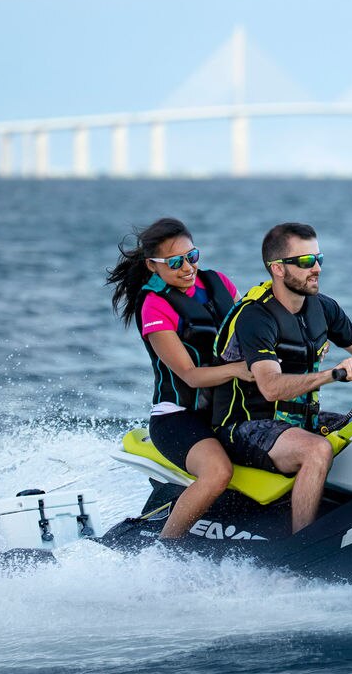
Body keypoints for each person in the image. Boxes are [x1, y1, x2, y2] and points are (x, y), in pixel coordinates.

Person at [212, 222, 352, 534]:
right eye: (306, 261)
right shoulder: (255, 317)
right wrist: (333, 374)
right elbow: (270, 387)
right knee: (316, 449)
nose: (317, 268)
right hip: (246, 425)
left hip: (302, 420)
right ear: (278, 268)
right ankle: (302, 545)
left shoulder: (323, 308)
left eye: (319, 258)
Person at [105, 217, 252, 540]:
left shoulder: (220, 283)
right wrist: (238, 370)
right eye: (174, 262)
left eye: (192, 256)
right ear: (152, 265)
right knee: (218, 472)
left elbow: (251, 334)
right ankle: (165, 551)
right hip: (177, 418)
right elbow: (190, 375)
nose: (187, 268)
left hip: (226, 411)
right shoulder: (154, 306)